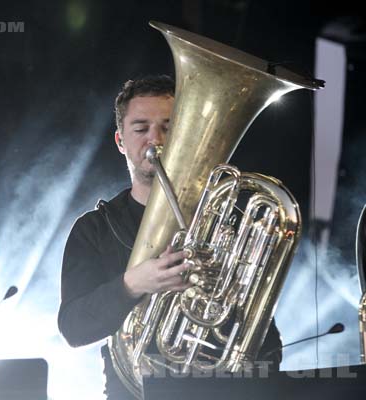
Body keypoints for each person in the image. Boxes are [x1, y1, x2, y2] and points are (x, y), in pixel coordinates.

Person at [57, 75, 282, 399]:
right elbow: (73, 329)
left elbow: (267, 342)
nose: (156, 139)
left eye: (168, 126)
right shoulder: (95, 229)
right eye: (141, 128)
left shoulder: (227, 222)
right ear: (121, 141)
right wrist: (134, 284)